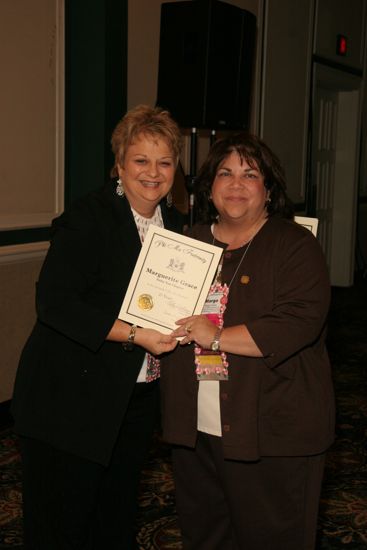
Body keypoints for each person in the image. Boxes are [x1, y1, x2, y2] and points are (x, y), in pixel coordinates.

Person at [11, 104, 183, 549]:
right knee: (62, 529)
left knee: (114, 521)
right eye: (141, 160)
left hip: (133, 398)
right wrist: (136, 334)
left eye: (164, 162)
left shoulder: (176, 225)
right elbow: (55, 303)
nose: (153, 172)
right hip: (69, 400)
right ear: (120, 163)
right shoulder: (89, 217)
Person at [160, 133, 335, 550]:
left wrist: (216, 335)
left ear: (268, 191)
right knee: (205, 537)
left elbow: (297, 323)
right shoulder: (187, 244)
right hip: (195, 431)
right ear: (209, 186)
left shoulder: (295, 245)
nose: (236, 184)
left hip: (273, 431)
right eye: (225, 173)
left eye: (249, 174)